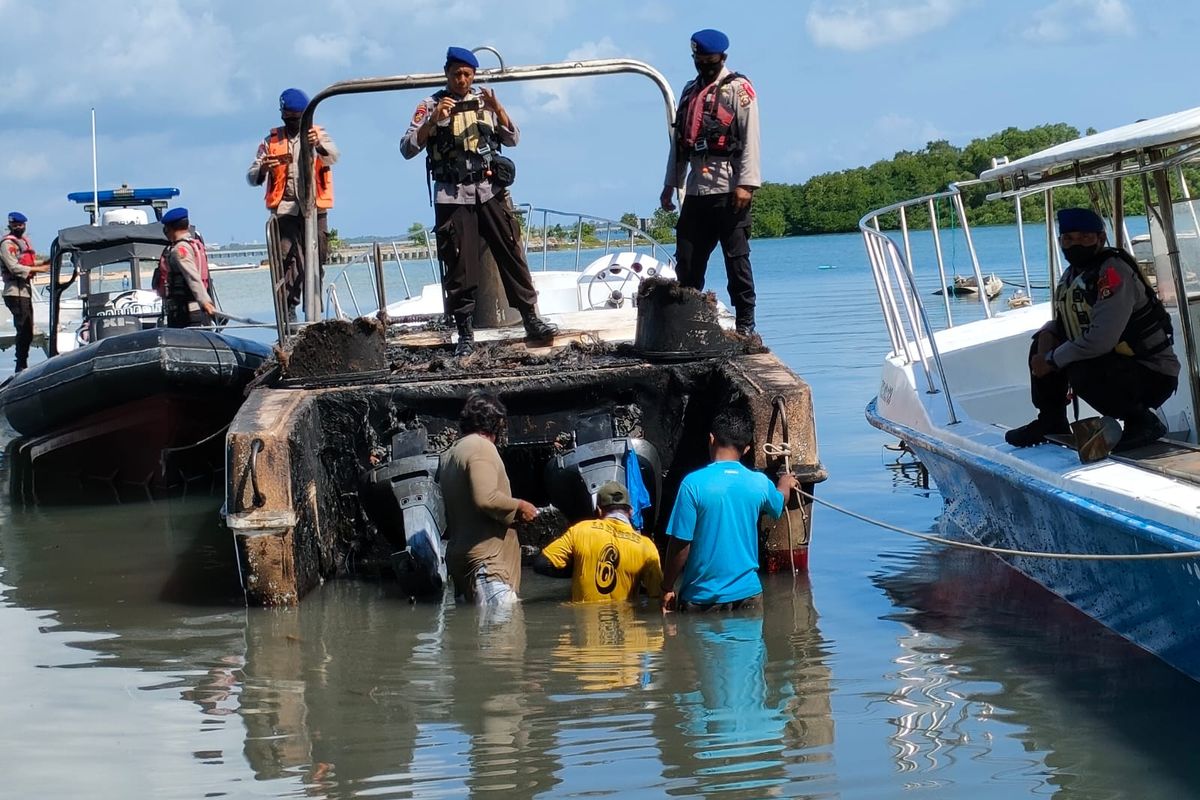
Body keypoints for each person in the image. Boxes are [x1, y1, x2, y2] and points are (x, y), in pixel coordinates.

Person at [400, 46, 557, 357]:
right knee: (458, 264)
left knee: (512, 252)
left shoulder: (484, 102)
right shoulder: (429, 105)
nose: (462, 80)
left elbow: (513, 139)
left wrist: (498, 110)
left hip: (490, 190)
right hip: (452, 194)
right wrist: (433, 122)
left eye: (467, 74)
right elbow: (407, 147)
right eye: (456, 74)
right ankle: (465, 333)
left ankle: (530, 319)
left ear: (474, 76)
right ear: (446, 73)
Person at [1005, 208, 1180, 452]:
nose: (1075, 244)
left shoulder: (1112, 272)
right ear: (1060, 242)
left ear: (1100, 238)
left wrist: (1052, 360)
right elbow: (1068, 321)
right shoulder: (1073, 274)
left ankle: (1142, 421)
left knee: (1079, 364)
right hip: (1118, 364)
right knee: (1045, 344)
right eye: (1069, 239)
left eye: (1085, 237)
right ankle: (1051, 420)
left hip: (1151, 372)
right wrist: (1046, 338)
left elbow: (1100, 340)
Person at [660, 29, 762, 336]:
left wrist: (747, 184)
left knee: (737, 261)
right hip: (696, 189)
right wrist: (670, 185)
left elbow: (750, 138)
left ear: (722, 58)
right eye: (699, 60)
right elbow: (679, 145)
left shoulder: (738, 90)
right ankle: (689, 323)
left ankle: (745, 324)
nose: (703, 65)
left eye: (709, 60)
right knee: (688, 259)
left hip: (728, 186)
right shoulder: (690, 91)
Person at [660, 408, 798, 612]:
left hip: (701, 599)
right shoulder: (759, 482)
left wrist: (667, 586)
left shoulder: (692, 484)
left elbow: (681, 543)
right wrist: (784, 484)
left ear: (711, 438)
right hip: (749, 595)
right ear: (747, 449)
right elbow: (778, 504)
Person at [247, 88, 339, 322]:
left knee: (317, 259)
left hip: (315, 208)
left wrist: (317, 145)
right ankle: (288, 312)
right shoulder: (270, 141)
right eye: (288, 116)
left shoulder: (317, 134)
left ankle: (314, 310)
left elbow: (333, 156)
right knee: (288, 261)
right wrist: (264, 168)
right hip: (285, 208)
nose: (291, 121)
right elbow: (252, 175)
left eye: (296, 116)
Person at [440, 390, 539, 606]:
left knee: (474, 636)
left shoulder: (450, 454)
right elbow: (485, 498)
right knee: (501, 634)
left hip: (462, 560)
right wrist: (520, 506)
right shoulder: (481, 448)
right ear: (496, 424)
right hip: (488, 564)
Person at [533, 480, 664, 603]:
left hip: (586, 622)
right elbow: (657, 595)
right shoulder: (646, 546)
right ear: (630, 511)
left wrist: (577, 569)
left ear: (599, 510)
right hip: (627, 622)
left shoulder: (580, 530)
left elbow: (541, 564)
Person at [1, 212, 49, 372]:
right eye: (15, 225)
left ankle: (23, 362)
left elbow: (27, 261)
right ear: (11, 225)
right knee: (23, 328)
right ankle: (20, 364)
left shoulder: (22, 242)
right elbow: (14, 267)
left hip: (25, 291)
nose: (18, 228)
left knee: (28, 329)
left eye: (21, 225)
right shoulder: (7, 245)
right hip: (14, 292)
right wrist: (39, 269)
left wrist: (46, 262)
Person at [156, 207, 216, 328]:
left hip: (186, 312)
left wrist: (204, 301)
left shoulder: (180, 249)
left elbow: (191, 275)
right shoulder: (194, 245)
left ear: (169, 229)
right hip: (193, 310)